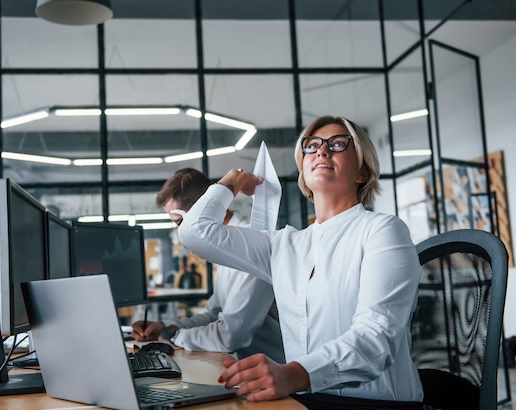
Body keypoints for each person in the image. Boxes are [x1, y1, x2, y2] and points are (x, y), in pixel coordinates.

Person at [179, 116, 424, 409]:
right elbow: (195, 232)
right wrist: (232, 181)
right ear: (303, 170)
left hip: (375, 403)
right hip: (305, 399)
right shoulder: (283, 244)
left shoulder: (383, 231)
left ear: (361, 172)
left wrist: (293, 374)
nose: (322, 151)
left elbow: (375, 339)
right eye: (312, 146)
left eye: (337, 144)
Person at [131, 168, 284, 363]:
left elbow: (230, 336)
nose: (181, 233)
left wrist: (174, 336)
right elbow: (214, 314)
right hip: (248, 366)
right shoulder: (225, 243)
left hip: (282, 375)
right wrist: (165, 327)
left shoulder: (249, 243)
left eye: (179, 223)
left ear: (201, 209)